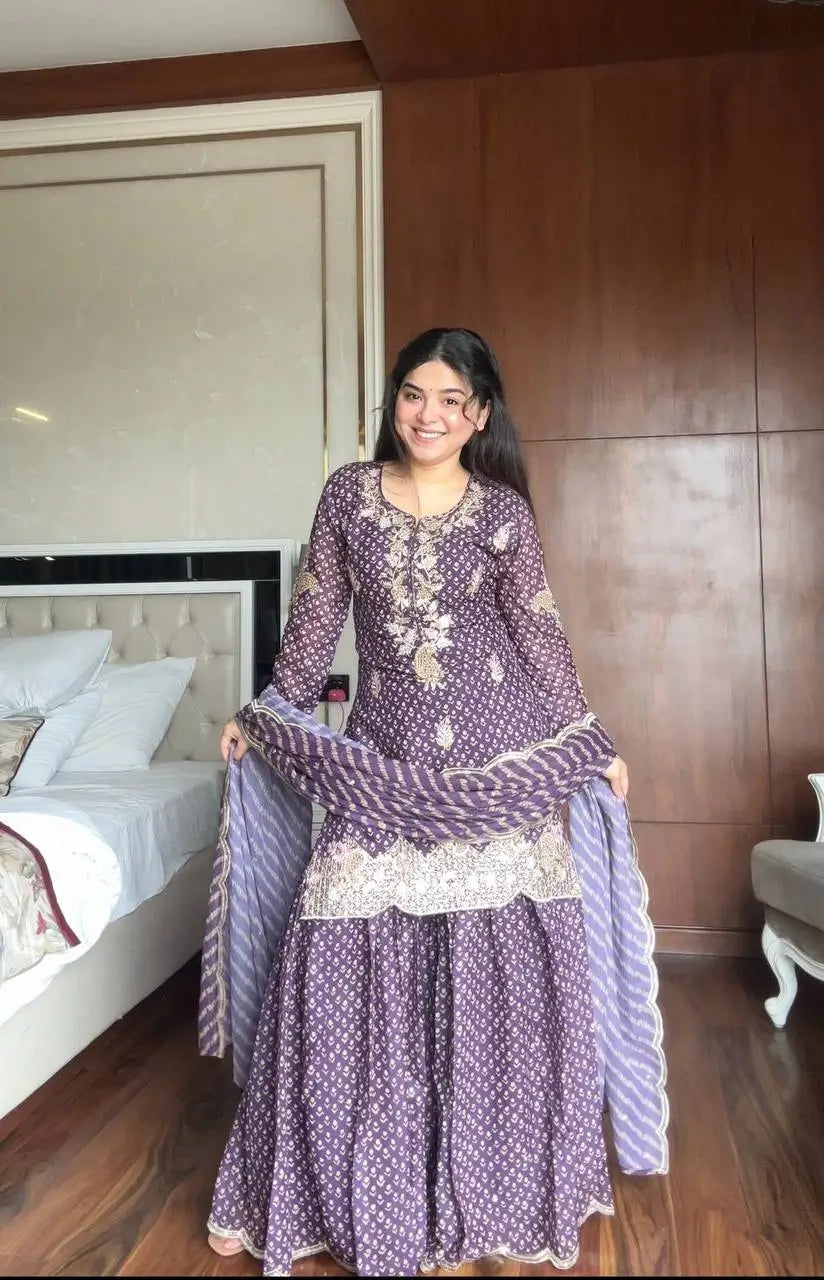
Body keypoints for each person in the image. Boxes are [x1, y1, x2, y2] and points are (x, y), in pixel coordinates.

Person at [201, 328, 665, 1276]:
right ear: (394, 402)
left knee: (504, 984)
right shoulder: (348, 495)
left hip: (499, 771)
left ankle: (490, 1193)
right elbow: (315, 622)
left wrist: (589, 738)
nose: (429, 415)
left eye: (453, 400)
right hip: (381, 766)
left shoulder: (502, 513)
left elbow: (538, 635)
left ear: (480, 415)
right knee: (333, 957)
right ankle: (312, 1190)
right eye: (415, 393)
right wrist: (267, 713)